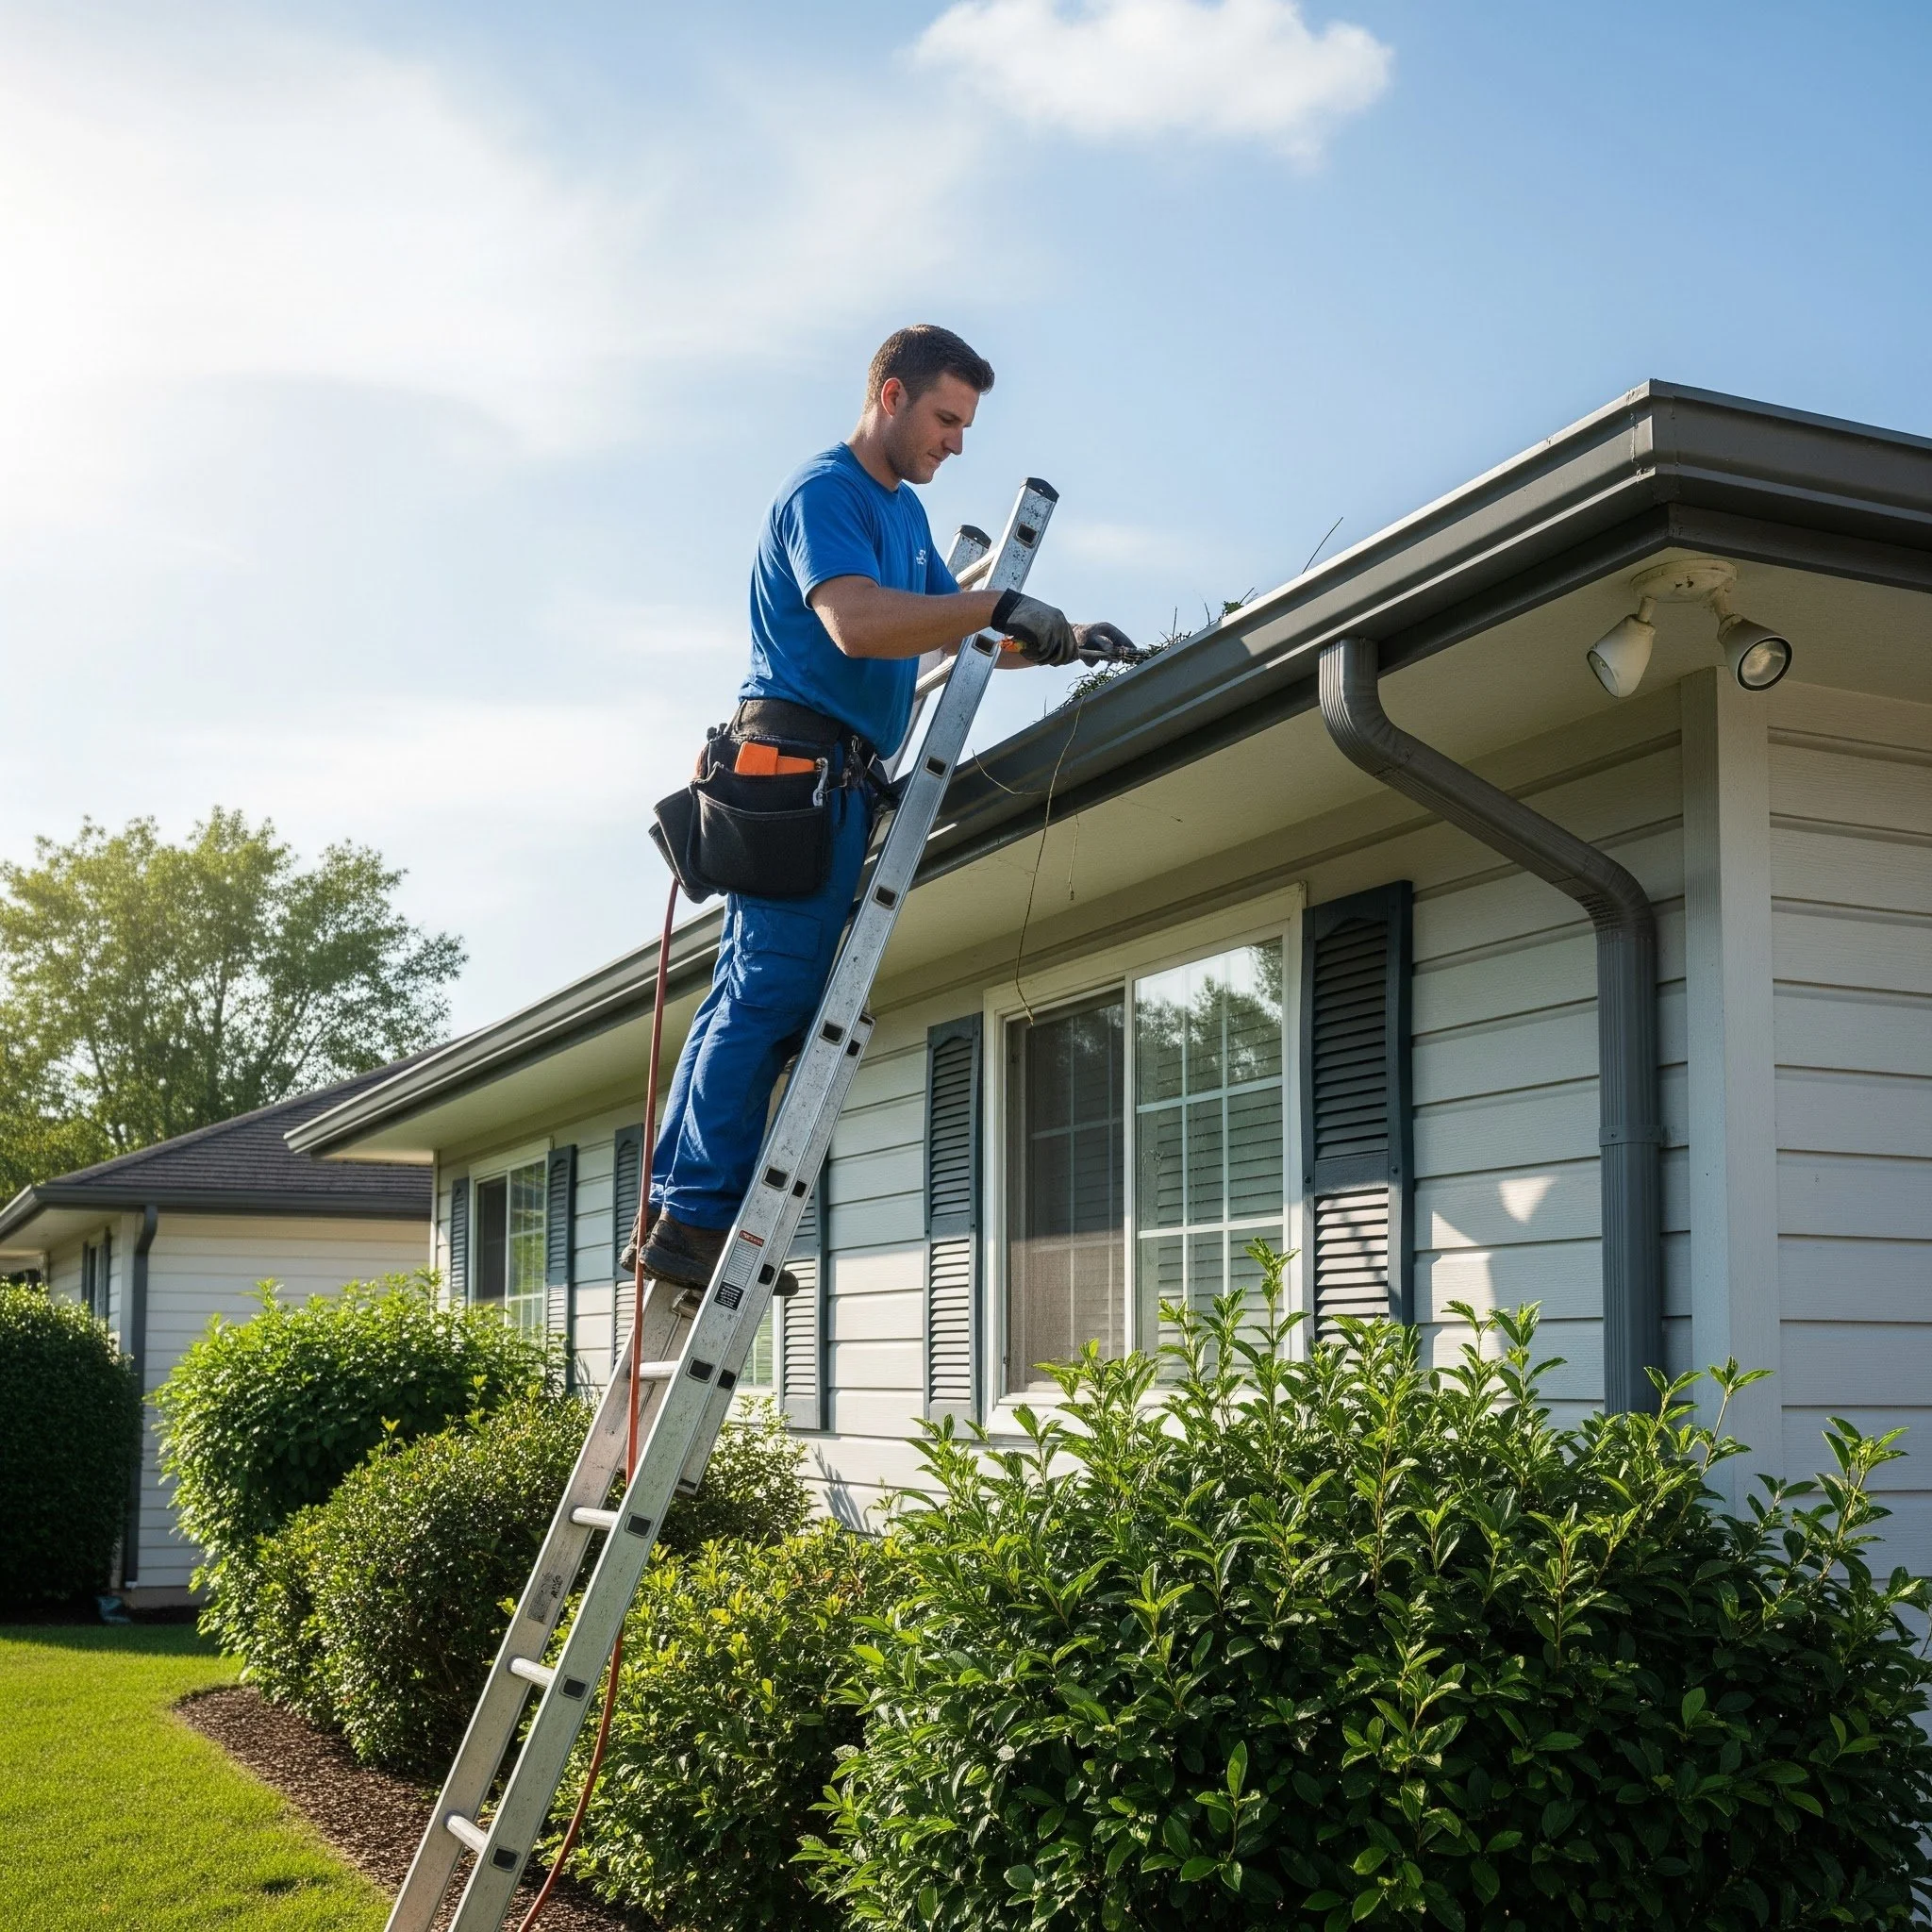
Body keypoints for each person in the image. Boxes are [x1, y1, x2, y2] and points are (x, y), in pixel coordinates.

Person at [639, 324, 1131, 1291]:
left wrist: (1058, 635)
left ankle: (679, 1205)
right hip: (793, 775)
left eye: (967, 424)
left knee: (751, 990)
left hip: (825, 779)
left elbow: (938, 630)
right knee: (770, 994)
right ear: (893, 396)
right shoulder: (827, 491)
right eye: (947, 417)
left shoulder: (899, 515)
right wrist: (993, 608)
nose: (957, 441)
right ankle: (695, 1218)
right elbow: (857, 622)